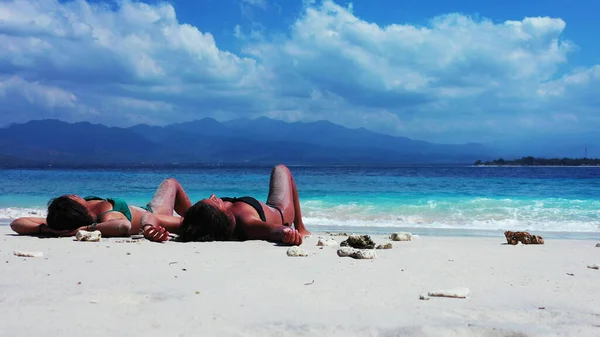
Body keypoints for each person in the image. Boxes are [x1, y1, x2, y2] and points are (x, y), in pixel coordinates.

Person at [142, 164, 311, 245]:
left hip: (204, 221)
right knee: (281, 170)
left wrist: (150, 230)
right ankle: (302, 226)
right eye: (215, 201)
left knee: (171, 182)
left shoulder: (192, 225)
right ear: (223, 215)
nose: (214, 195)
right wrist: (290, 233)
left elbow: (150, 217)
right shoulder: (246, 222)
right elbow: (276, 231)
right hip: (279, 213)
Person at [10, 178, 191, 241]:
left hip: (147, 212)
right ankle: (197, 217)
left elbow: (16, 223)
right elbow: (123, 225)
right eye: (72, 197)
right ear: (75, 205)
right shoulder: (104, 212)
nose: (74, 194)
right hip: (154, 216)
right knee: (171, 183)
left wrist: (47, 229)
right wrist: (86, 230)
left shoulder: (65, 222)